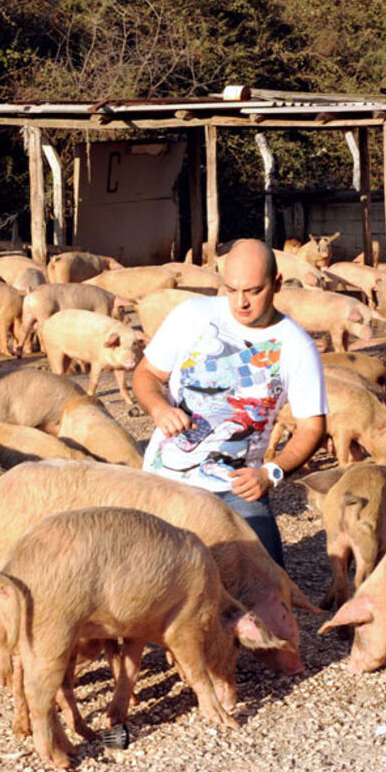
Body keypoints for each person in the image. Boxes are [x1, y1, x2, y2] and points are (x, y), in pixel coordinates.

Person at [132, 239, 327, 565]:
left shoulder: (297, 347)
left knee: (268, 592)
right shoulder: (191, 315)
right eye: (231, 290)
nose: (241, 303)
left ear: (277, 284)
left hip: (237, 488)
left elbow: (312, 426)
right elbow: (147, 373)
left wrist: (271, 473)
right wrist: (159, 408)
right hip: (164, 479)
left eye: (252, 291)